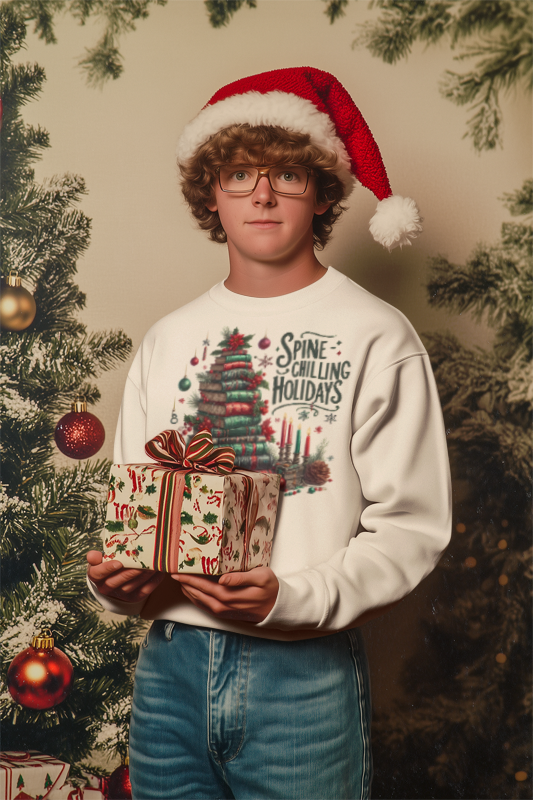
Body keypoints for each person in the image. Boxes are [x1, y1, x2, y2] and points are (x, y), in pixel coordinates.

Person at [87, 67, 451, 800]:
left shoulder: (375, 334)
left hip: (302, 674)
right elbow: (136, 508)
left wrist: (291, 598)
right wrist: (119, 584)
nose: (261, 193)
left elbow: (411, 528)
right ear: (209, 196)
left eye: (286, 173)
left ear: (320, 192)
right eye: (239, 173)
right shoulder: (168, 339)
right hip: (168, 670)